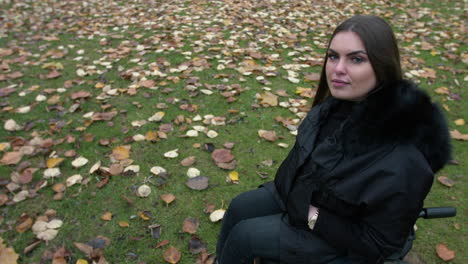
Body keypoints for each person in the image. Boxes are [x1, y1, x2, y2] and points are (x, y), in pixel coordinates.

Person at [215, 15, 452, 264]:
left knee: (245, 236)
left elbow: (378, 243)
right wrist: (292, 192)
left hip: (333, 231)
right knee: (240, 207)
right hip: (299, 196)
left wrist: (311, 215)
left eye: (356, 59)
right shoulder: (335, 106)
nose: (338, 69)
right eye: (333, 56)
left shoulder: (403, 157)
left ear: (383, 67)